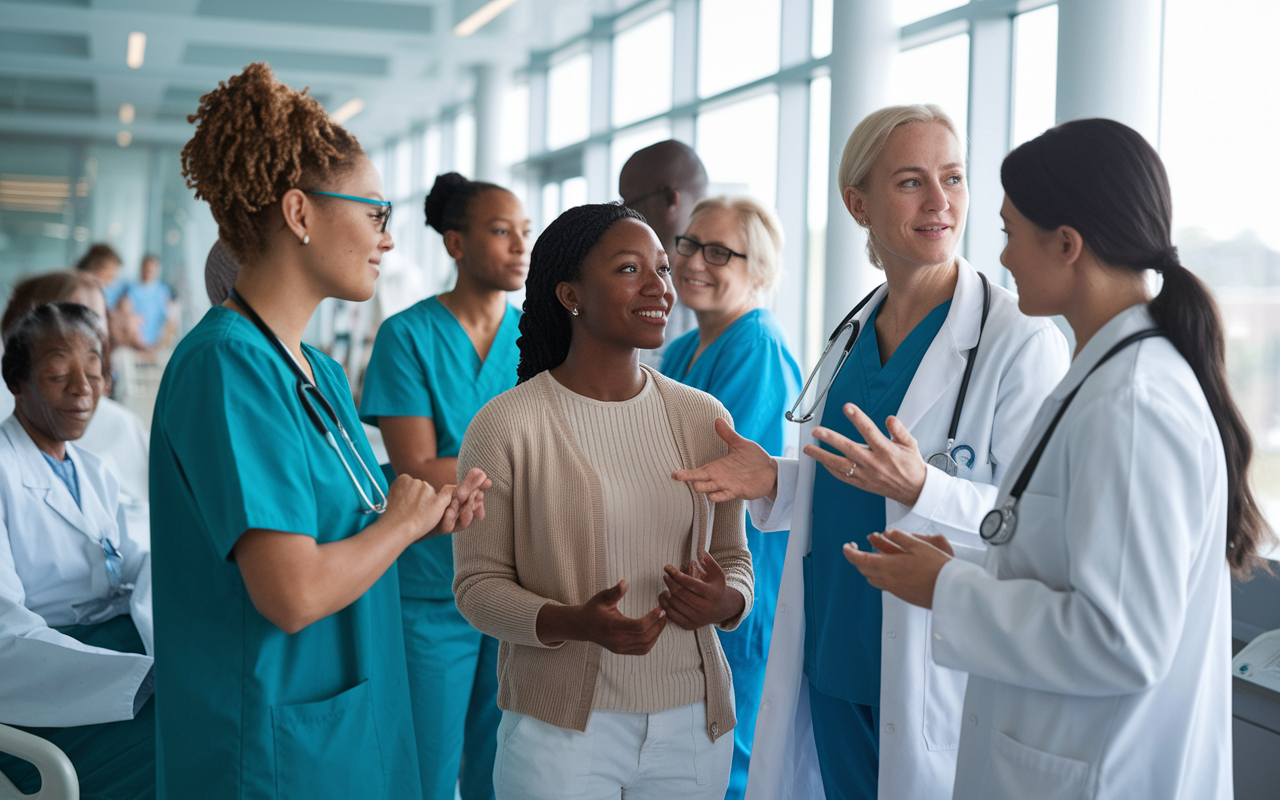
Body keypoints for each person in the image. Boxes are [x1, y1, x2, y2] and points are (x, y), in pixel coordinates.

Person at [846, 118, 1277, 800]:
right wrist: (960, 565)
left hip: (1099, 774)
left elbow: (1120, 639)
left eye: (1012, 232)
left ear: (1067, 245)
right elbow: (1069, 569)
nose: (1006, 257)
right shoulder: (1105, 378)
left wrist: (949, 590)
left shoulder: (1131, 404)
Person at [672, 104, 1070, 800]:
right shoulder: (855, 329)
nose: (940, 201)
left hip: (928, 661)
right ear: (857, 203)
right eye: (911, 182)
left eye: (953, 177)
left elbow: (1036, 524)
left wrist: (926, 489)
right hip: (831, 647)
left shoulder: (1019, 343)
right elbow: (848, 481)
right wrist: (775, 478)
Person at [151, 62, 489, 800]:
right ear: (301, 214)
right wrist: (397, 528)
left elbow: (345, 528)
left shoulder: (321, 373)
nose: (388, 241)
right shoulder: (225, 367)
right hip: (270, 744)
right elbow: (292, 592)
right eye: (376, 213)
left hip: (350, 717)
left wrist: (424, 520)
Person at [452, 202, 754, 800]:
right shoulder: (508, 425)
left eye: (662, 269)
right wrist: (570, 623)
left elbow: (735, 559)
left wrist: (725, 600)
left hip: (693, 725)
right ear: (571, 294)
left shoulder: (703, 420)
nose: (658, 287)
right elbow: (476, 586)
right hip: (561, 734)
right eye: (628, 269)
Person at [359, 171, 529, 800]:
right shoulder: (407, 336)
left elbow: (450, 465)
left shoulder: (538, 336)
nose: (519, 245)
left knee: (504, 764)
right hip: (433, 583)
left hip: (519, 577)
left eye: (524, 232)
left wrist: (472, 469)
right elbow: (413, 468)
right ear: (455, 244)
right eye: (500, 231)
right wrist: (523, 471)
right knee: (428, 767)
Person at [659, 195, 801, 800]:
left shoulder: (755, 347)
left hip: (734, 572)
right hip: (688, 569)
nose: (694, 261)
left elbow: (720, 476)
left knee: (727, 755)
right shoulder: (681, 348)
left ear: (759, 272)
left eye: (720, 252)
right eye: (689, 244)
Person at [0, 302, 155, 799]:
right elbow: (6, 639)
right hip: (39, 696)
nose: (83, 389)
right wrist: (140, 674)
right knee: (195, 734)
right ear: (16, 382)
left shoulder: (93, 470)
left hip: (106, 656)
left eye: (95, 372)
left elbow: (134, 560)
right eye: (57, 375)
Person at [0, 270, 152, 547]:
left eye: (99, 316)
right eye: (78, 315)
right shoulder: (35, 419)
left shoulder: (96, 458)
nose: (96, 330)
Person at [619, 140, 709, 363]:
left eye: (629, 201)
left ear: (670, 199)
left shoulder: (723, 299)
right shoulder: (618, 280)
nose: (621, 214)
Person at [124, 255, 174, 350]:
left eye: (152, 269)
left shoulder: (163, 291)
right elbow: (128, 315)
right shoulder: (131, 290)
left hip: (158, 343)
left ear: (157, 270)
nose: (148, 271)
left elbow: (169, 319)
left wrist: (161, 343)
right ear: (141, 268)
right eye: (146, 268)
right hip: (135, 342)